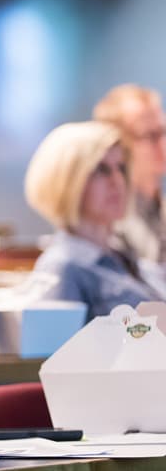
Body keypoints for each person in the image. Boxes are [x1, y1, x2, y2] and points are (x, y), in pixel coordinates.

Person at [25, 121, 166, 321]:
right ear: (67, 181)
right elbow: (59, 351)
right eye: (101, 170)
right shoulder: (64, 268)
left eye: (121, 168)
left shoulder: (124, 257)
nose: (117, 180)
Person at [93, 84, 166, 263]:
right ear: (118, 145)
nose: (162, 143)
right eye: (150, 135)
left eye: (164, 131)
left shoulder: (158, 206)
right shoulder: (111, 221)